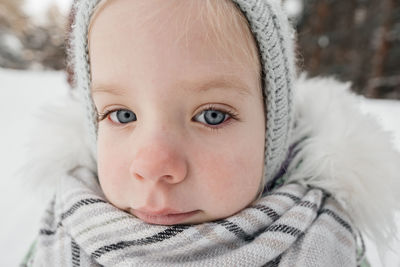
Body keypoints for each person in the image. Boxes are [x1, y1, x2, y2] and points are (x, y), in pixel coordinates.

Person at [22, 0, 400, 266]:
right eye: (122, 115)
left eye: (213, 115)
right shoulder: (62, 235)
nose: (154, 165)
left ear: (272, 128)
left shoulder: (327, 241)